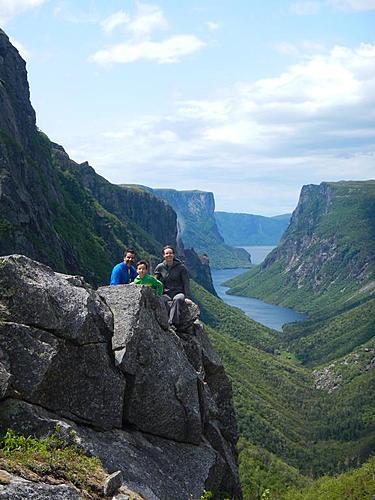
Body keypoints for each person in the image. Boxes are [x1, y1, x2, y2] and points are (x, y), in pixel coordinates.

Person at [154, 245, 193, 328]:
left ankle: (172, 323)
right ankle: (161, 321)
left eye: (170, 253)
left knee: (177, 299)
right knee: (160, 300)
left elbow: (186, 283)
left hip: (179, 292)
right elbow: (155, 281)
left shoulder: (181, 267)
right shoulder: (160, 267)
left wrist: (187, 296)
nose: (169, 255)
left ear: (173, 254)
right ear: (163, 255)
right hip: (166, 293)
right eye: (167, 253)